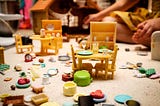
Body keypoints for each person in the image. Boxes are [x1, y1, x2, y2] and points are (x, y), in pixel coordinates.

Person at [84, 0, 160, 47]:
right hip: (152, 17)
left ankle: (149, 40)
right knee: (108, 22)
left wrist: (157, 22)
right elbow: (123, 3)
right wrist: (97, 16)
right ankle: (145, 38)